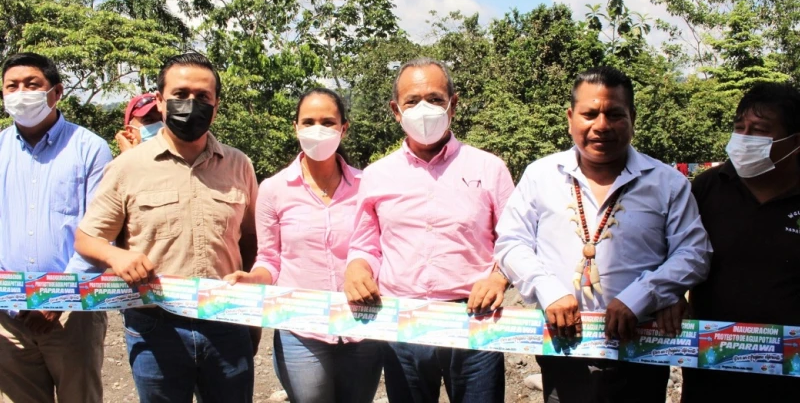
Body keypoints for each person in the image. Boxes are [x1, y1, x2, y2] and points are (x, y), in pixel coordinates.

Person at [494, 66, 712, 403]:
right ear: (570, 117)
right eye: (590, 113)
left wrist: (643, 295)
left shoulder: (667, 181)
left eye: (614, 114)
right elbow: (511, 242)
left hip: (640, 350)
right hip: (561, 348)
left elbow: (694, 253)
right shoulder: (541, 176)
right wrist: (548, 290)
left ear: (632, 117)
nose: (601, 125)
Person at [74, 52, 260, 403]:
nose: (191, 104)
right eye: (180, 94)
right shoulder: (127, 167)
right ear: (160, 102)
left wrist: (252, 312)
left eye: (203, 97)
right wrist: (116, 256)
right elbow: (87, 238)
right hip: (155, 324)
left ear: (216, 105)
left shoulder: (238, 165)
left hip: (226, 320)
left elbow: (250, 240)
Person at [344, 58, 515, 403]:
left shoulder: (490, 168)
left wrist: (498, 278)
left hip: (475, 322)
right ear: (396, 110)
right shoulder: (377, 175)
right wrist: (356, 267)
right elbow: (365, 244)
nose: (424, 108)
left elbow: (515, 240)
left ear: (454, 103)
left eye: (435, 99)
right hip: (404, 320)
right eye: (412, 101)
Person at [224, 88, 382, 403]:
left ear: (343, 129)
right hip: (301, 327)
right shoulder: (274, 190)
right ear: (295, 127)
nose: (317, 129)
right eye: (308, 122)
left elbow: (379, 249)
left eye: (327, 121)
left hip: (363, 325)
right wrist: (253, 278)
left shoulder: (370, 186)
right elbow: (270, 259)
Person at [0, 52, 112, 403]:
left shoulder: (90, 149)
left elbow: (102, 228)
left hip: (73, 314)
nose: (21, 93)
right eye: (11, 86)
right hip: (8, 313)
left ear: (56, 92)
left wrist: (58, 296)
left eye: (32, 84)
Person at [681, 83, 800, 401]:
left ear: (795, 142)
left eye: (759, 130)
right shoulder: (709, 187)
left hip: (790, 373)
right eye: (739, 128)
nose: (744, 138)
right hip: (711, 366)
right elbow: (677, 252)